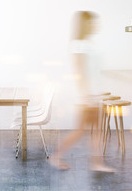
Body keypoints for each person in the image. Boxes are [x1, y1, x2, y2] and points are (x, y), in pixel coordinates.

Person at [49, 11, 115, 172]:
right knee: (83, 131)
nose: (95, 25)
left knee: (93, 131)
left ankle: (94, 163)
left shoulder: (86, 43)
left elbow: (93, 70)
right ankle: (57, 157)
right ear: (85, 25)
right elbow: (80, 71)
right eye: (92, 22)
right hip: (87, 96)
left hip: (92, 95)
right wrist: (87, 95)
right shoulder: (79, 45)